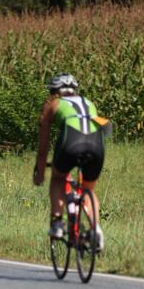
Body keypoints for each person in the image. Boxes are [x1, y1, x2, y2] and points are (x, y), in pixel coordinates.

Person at [33, 73, 105, 252]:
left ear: (54, 92)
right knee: (88, 189)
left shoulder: (53, 105)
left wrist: (40, 173)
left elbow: (43, 150)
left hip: (71, 144)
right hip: (97, 146)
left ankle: (57, 223)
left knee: (58, 178)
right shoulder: (89, 103)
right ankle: (95, 228)